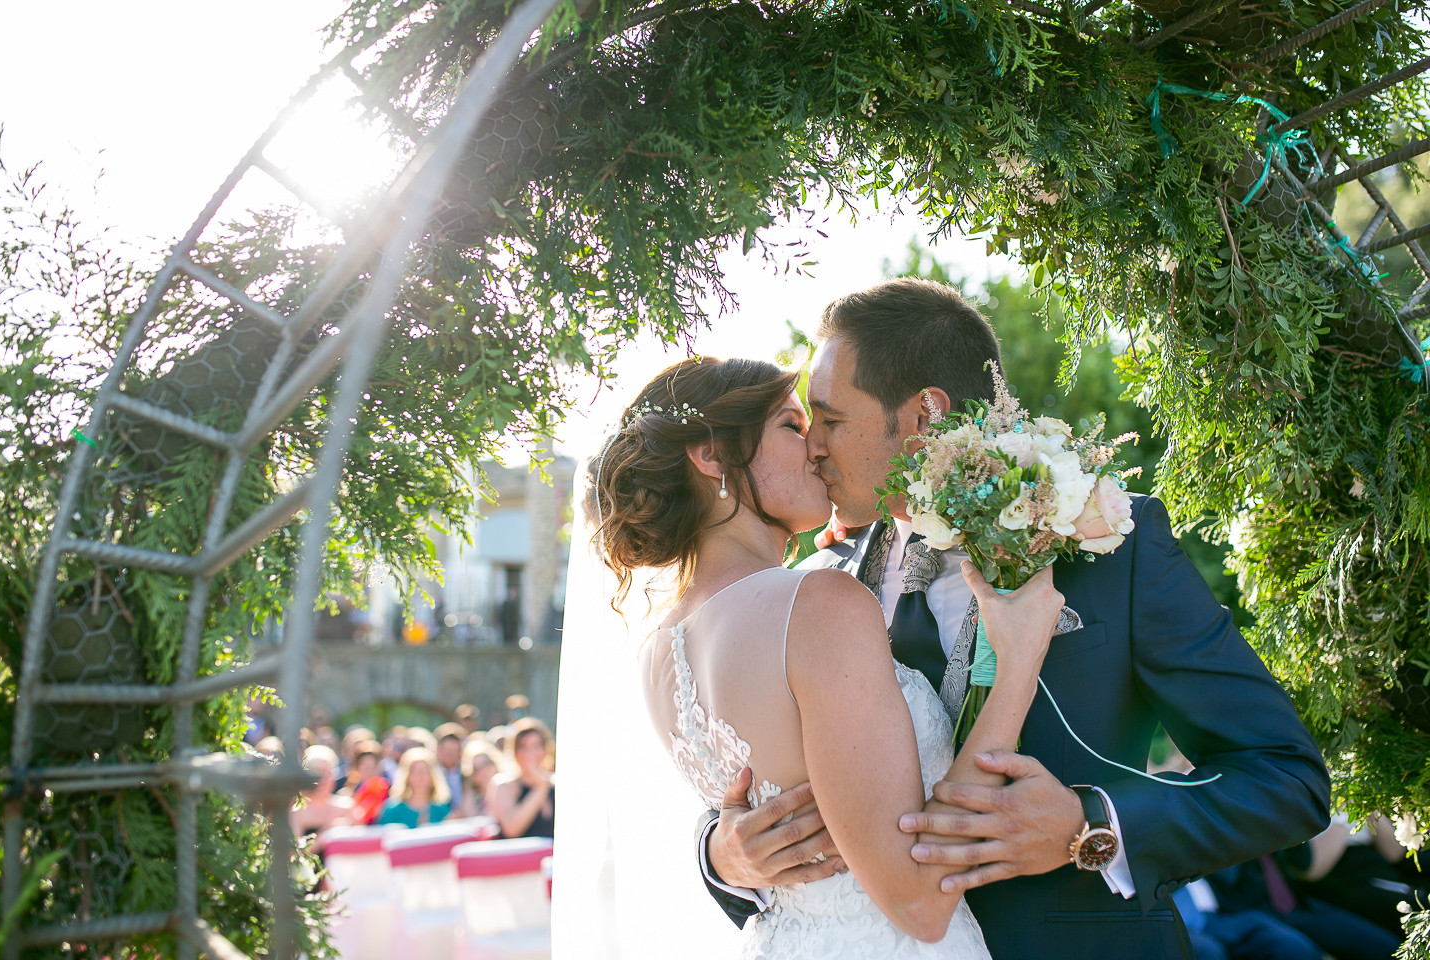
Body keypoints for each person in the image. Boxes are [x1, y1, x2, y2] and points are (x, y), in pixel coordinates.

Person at [696, 278, 1332, 958]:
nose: (811, 446)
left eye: (830, 419)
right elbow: (757, 779)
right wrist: (723, 858)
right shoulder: (816, 587)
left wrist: (1093, 827)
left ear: (924, 416)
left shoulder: (1110, 540)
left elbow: (1285, 778)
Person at [593, 356, 1067, 955]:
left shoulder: (657, 650)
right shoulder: (820, 605)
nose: (816, 447)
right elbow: (920, 902)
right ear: (710, 456)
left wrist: (720, 855)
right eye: (792, 427)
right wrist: (1018, 665)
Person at [487, 717, 556, 839]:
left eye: (537, 745)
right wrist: (540, 787)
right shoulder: (504, 785)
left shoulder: (555, 783)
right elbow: (512, 829)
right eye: (524, 747)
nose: (531, 753)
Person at [290, 744, 356, 856]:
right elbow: (293, 855)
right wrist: (323, 835)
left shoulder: (346, 806)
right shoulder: (298, 812)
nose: (323, 779)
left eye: (327, 773)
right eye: (317, 773)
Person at [377, 745, 454, 829]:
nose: (421, 777)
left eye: (425, 771)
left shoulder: (442, 810)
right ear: (407, 776)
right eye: (416, 771)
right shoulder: (392, 810)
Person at [459, 739, 504, 818]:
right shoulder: (471, 798)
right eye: (477, 769)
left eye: (486, 764)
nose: (483, 772)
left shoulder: (508, 789)